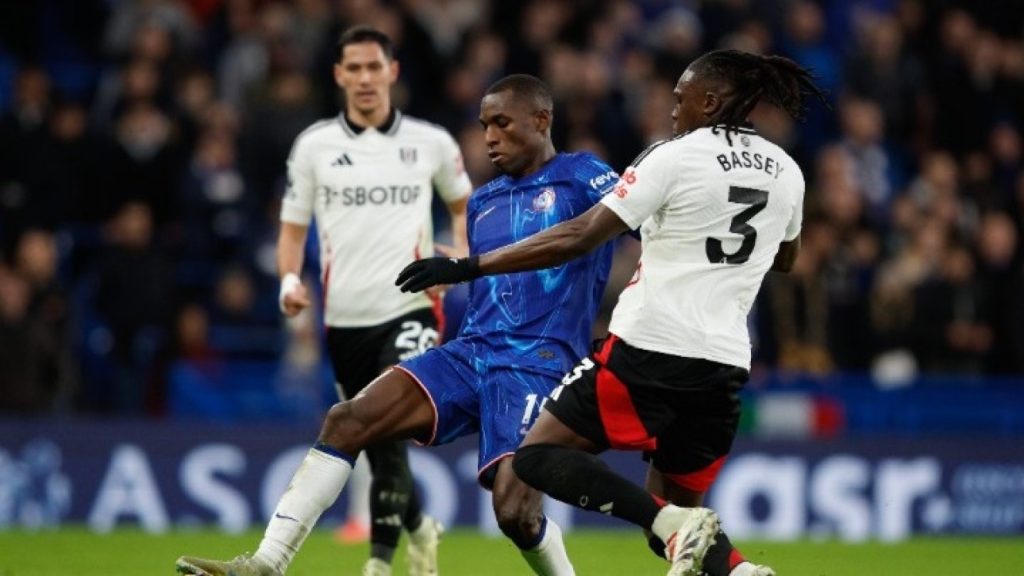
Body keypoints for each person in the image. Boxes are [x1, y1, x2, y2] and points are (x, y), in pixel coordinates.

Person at [396, 50, 828, 576]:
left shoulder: (672, 156)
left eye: (681, 99)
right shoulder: (787, 171)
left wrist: (470, 266)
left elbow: (582, 234)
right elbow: (785, 258)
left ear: (712, 102)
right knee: (673, 537)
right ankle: (739, 571)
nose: (673, 109)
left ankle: (672, 523)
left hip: (648, 348)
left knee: (535, 459)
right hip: (724, 365)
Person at [176, 73, 619, 576]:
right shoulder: (483, 201)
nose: (489, 137)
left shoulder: (584, 175)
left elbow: (632, 225)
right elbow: (493, 289)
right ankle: (266, 563)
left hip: (538, 361)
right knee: (348, 419)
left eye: (501, 123)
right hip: (472, 351)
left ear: (541, 120)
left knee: (515, 513)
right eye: (483, 126)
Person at [191, 25, 469, 576]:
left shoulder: (431, 143)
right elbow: (292, 231)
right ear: (339, 75)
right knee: (372, 436)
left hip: (411, 308)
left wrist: (457, 260)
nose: (365, 78)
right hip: (344, 321)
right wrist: (287, 281)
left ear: (392, 71)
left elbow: (464, 207)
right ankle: (419, 528)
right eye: (354, 68)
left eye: (374, 67)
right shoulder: (314, 146)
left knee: (385, 428)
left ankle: (370, 565)